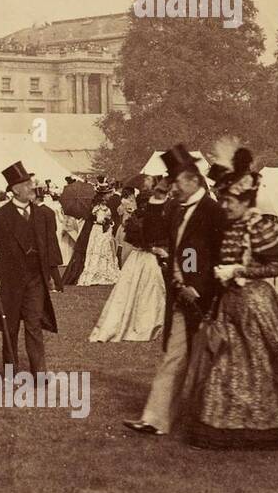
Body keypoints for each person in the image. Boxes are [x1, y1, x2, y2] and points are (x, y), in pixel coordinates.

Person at [180, 152, 278, 452]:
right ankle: (224, 425)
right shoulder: (228, 227)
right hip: (229, 305)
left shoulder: (260, 225)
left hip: (258, 305)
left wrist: (240, 270)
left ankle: (269, 426)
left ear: (244, 202)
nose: (225, 205)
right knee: (225, 363)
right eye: (224, 200)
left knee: (266, 364)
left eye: (230, 201)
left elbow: (274, 268)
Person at [125, 144, 226, 437]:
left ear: (194, 181)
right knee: (174, 356)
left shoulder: (212, 211)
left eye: (178, 181)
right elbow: (153, 235)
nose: (174, 187)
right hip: (181, 297)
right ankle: (155, 419)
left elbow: (221, 255)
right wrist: (157, 198)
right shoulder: (175, 209)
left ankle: (211, 420)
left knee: (207, 359)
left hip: (207, 300)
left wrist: (200, 287)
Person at [0, 161, 61, 374]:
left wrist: (53, 276)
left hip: (35, 281)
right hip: (9, 282)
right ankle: (10, 372)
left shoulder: (44, 215)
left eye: (31, 184)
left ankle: (39, 373)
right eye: (27, 185)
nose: (32, 188)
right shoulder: (0, 216)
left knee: (34, 326)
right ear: (15, 189)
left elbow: (52, 248)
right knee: (11, 328)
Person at [89, 176, 169, 342]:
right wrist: (156, 248)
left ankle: (143, 322)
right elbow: (146, 241)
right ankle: (147, 323)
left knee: (130, 291)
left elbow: (132, 239)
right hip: (147, 258)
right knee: (149, 290)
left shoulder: (134, 220)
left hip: (136, 258)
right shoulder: (146, 221)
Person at [76, 201, 121, 286]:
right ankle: (96, 272)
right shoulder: (97, 208)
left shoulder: (106, 207)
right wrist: (105, 221)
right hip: (99, 230)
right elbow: (99, 219)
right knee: (97, 249)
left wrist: (110, 222)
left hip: (106, 231)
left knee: (106, 250)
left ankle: (106, 271)